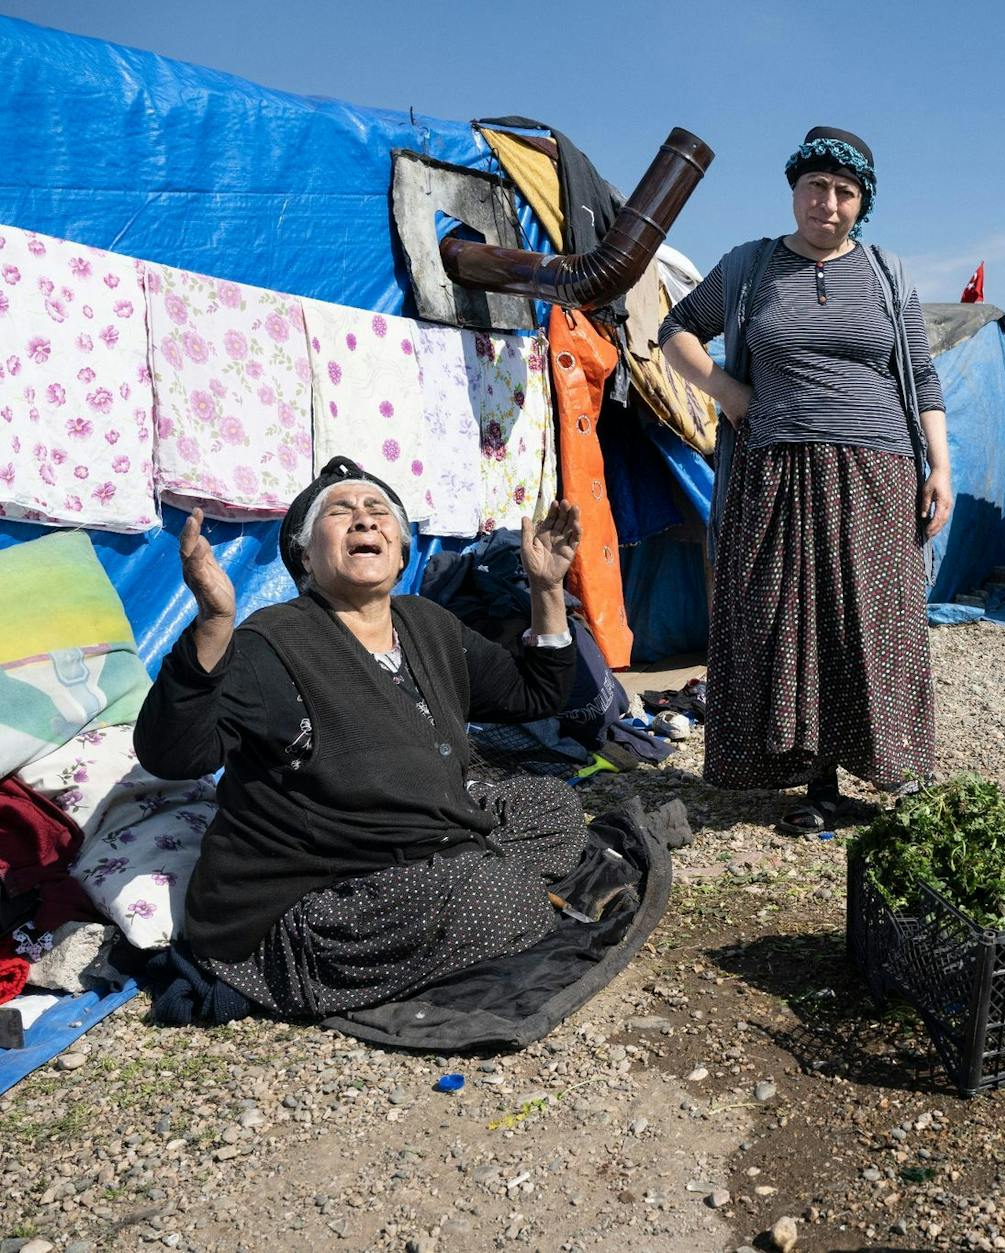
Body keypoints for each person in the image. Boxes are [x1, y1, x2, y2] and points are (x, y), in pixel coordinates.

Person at [134, 455, 588, 1017]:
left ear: (400, 553)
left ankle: (476, 885)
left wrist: (546, 588)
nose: (364, 520)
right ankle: (483, 891)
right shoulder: (268, 643)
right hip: (319, 890)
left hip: (429, 838)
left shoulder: (427, 624)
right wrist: (213, 623)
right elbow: (172, 755)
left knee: (552, 803)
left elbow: (535, 694)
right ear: (305, 555)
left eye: (378, 512)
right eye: (341, 512)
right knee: (489, 896)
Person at [658, 125, 950, 834]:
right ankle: (812, 778)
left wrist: (940, 465)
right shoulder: (750, 266)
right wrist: (728, 393)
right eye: (816, 186)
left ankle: (892, 768)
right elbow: (673, 330)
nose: (829, 202)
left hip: (878, 468)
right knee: (785, 618)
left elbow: (922, 376)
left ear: (862, 204)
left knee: (877, 621)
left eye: (845, 192)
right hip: (776, 464)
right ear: (794, 190)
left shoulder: (888, 275)